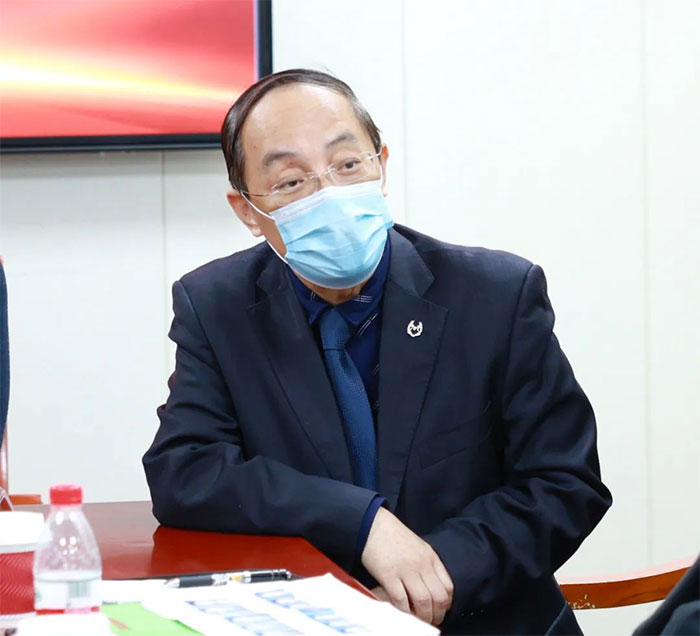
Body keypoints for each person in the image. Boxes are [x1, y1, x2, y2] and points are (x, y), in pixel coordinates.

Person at [143, 69, 612, 634]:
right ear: (247, 210)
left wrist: (438, 573)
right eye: (290, 181)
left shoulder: (496, 294)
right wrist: (361, 522)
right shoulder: (215, 305)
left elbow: (564, 482)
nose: (328, 195)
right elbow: (185, 470)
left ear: (381, 165)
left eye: (347, 165)